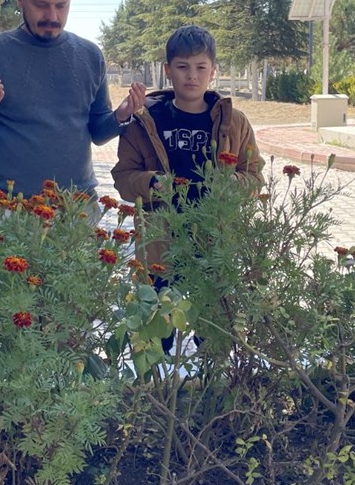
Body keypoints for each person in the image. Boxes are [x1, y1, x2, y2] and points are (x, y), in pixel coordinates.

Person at [112, 25, 264, 353]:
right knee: (154, 334)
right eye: (182, 67)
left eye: (200, 67)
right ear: (168, 70)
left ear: (213, 71)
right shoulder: (145, 121)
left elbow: (254, 177)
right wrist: (151, 184)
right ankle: (155, 396)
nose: (191, 76)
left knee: (217, 333)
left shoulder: (234, 122)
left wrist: (229, 184)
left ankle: (213, 389)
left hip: (214, 242)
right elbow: (123, 177)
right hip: (160, 244)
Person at [0, 0, 146, 197]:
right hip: (9, 207)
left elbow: (98, 132)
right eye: (41, 5)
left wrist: (120, 116)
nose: (52, 17)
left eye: (61, 5)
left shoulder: (90, 55)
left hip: (77, 207)